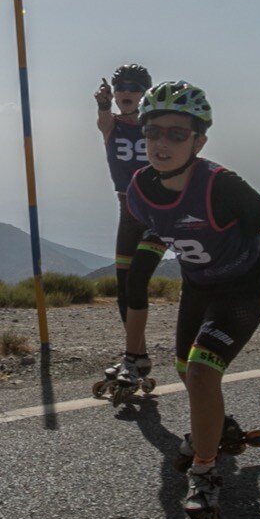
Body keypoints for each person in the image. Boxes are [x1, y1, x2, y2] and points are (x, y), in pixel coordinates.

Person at [121, 80, 260, 519]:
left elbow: (259, 221)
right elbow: (154, 231)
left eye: (177, 134)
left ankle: (206, 472)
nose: (162, 143)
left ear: (199, 141)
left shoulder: (223, 186)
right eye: (153, 133)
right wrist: (137, 280)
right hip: (198, 286)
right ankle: (218, 425)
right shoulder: (140, 188)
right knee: (187, 371)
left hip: (243, 289)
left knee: (205, 371)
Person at [94, 63, 167, 379]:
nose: (127, 92)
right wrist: (102, 102)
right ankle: (138, 357)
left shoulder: (156, 125)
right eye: (122, 86)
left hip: (158, 215)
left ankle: (131, 359)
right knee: (124, 290)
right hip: (128, 212)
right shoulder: (111, 124)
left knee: (137, 282)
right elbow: (103, 119)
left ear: (145, 93)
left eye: (135, 87)